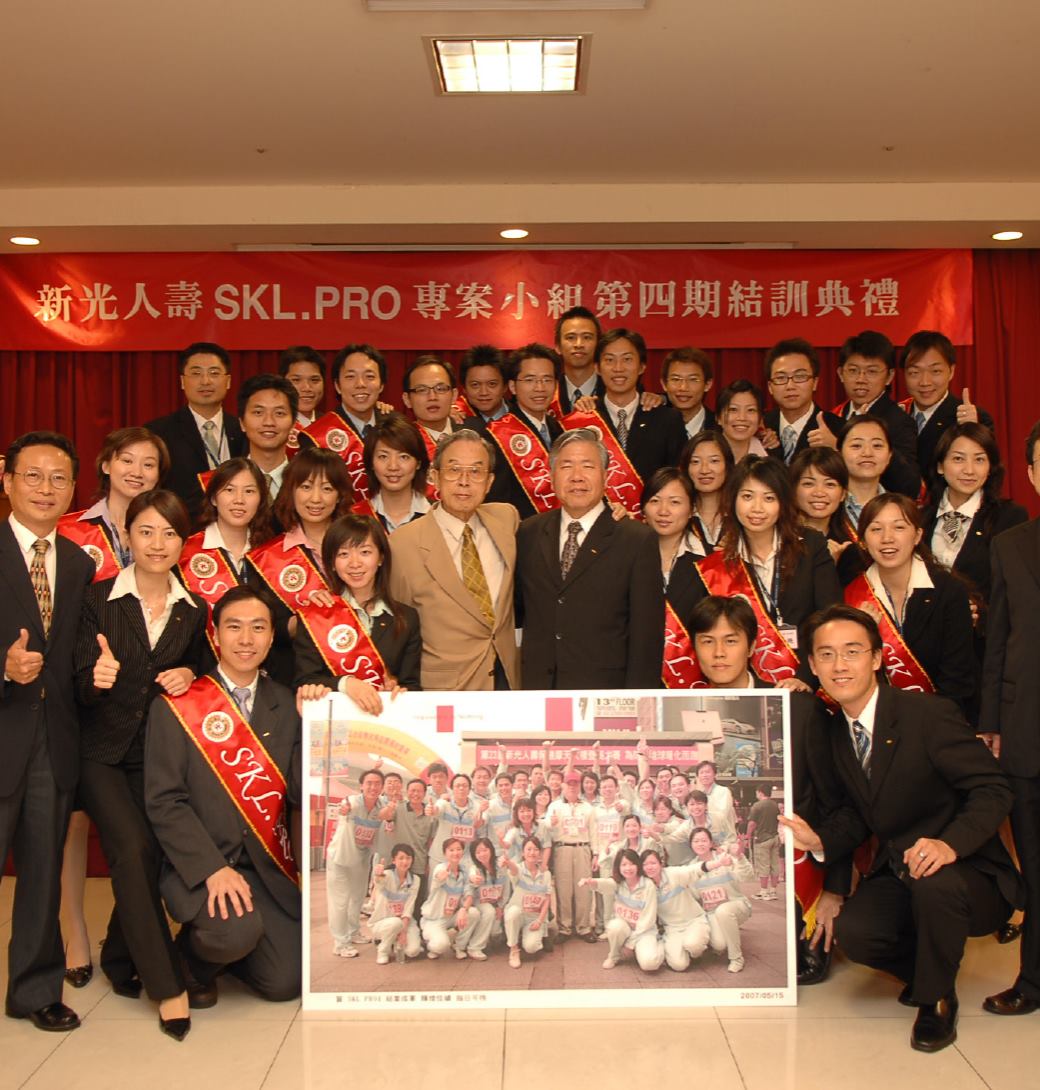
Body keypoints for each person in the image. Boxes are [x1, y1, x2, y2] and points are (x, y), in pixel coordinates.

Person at [782, 605, 1022, 1052]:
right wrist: (820, 841)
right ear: (812, 665)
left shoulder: (926, 714)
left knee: (934, 880)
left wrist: (949, 845)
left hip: (968, 874)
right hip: (898, 869)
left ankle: (936, 1000)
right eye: (827, 655)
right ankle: (930, 969)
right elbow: (855, 813)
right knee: (857, 933)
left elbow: (993, 789)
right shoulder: (833, 732)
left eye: (852, 652)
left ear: (876, 658)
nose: (839, 665)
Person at [73, 489, 208, 1038]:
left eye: (169, 533)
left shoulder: (193, 609)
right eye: (146, 531)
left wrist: (190, 674)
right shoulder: (97, 599)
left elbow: (201, 671)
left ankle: (118, 956)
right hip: (99, 752)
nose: (157, 543)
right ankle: (167, 985)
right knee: (132, 849)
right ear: (127, 535)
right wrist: (94, 678)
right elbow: (76, 681)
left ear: (183, 542)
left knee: (151, 853)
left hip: (153, 758)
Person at [145, 585, 313, 1009]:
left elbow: (297, 790)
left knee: (286, 982)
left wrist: (317, 724)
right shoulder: (177, 706)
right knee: (232, 932)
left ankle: (239, 951)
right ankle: (193, 961)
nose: (246, 639)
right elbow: (164, 801)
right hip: (202, 863)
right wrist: (212, 868)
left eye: (258, 628)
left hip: (265, 867)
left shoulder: (286, 703)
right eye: (234, 627)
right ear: (215, 634)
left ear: (271, 637)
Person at [56, 425, 170, 984]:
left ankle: (125, 940)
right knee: (74, 818)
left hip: (134, 698)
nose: (136, 472)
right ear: (105, 464)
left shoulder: (165, 532)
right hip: (73, 680)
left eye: (149, 464)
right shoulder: (73, 529)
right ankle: (72, 928)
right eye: (127, 460)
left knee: (139, 827)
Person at [1, 432, 95, 1033]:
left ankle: (34, 991)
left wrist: (98, 674)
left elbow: (74, 657)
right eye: (32, 476)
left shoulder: (81, 563)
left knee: (41, 872)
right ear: (7, 480)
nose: (45, 488)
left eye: (58, 478)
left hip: (52, 742)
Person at [516, 429, 664, 689]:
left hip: (605, 692)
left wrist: (639, 701)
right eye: (566, 466)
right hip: (539, 690)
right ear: (551, 476)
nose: (577, 476)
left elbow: (646, 636)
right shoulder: (528, 532)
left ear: (605, 476)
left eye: (588, 466)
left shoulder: (636, 540)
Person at [979, 419, 1040, 1017]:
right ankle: (1034, 980)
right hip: (1027, 730)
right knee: (1036, 866)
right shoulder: (1011, 544)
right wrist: (991, 722)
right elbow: (997, 640)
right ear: (1031, 472)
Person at [692, 455, 842, 684]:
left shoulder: (810, 546)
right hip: (745, 684)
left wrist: (804, 679)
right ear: (732, 500)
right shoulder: (719, 563)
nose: (757, 508)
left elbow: (830, 617)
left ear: (783, 503)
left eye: (769, 498)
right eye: (747, 497)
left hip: (805, 679)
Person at [389, 430, 519, 690]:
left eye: (476, 472)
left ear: (489, 482)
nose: (464, 481)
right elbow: (397, 627)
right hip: (445, 689)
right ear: (434, 477)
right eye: (454, 470)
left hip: (508, 680)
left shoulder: (506, 519)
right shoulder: (402, 543)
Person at [847, 493, 976, 713]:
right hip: (876, 717)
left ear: (917, 536)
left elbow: (958, 676)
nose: (887, 538)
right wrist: (863, 633)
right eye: (876, 529)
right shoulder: (853, 596)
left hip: (942, 717)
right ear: (863, 541)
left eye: (899, 527)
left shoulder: (948, 591)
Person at [293, 513, 421, 713]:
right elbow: (305, 680)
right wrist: (346, 684)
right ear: (332, 563)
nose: (355, 563)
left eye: (365, 552)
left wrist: (397, 690)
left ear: (381, 558)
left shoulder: (406, 618)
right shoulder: (316, 615)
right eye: (343, 554)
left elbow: (412, 686)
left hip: (384, 723)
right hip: (334, 721)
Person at [246, 447, 353, 684]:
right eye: (306, 487)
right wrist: (309, 619)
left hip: (357, 670)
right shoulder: (269, 556)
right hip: (295, 678)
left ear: (339, 495)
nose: (315, 498)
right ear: (291, 492)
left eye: (327, 489)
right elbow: (266, 627)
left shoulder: (359, 544)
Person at [922, 422, 1027, 606]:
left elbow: (1017, 590)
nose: (969, 470)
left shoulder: (1010, 517)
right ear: (940, 466)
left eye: (979, 460)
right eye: (958, 459)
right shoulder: (919, 519)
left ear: (990, 467)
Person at [179, 458, 273, 656]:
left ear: (260, 500)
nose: (239, 499)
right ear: (214, 498)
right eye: (229, 490)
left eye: (249, 491)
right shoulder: (185, 552)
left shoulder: (270, 554)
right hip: (199, 665)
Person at [144, 342, 247, 516]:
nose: (205, 381)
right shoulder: (158, 432)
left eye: (214, 373)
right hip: (182, 526)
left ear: (228, 381)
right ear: (182, 382)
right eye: (196, 373)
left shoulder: (244, 429)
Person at [582, 329, 687, 488]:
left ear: (642, 366)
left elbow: (679, 478)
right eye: (609, 360)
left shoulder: (667, 419)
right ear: (597, 367)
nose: (618, 368)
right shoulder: (585, 418)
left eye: (627, 359)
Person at [827, 329, 921, 499]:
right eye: (853, 370)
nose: (861, 379)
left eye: (871, 371)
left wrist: (839, 446)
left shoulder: (899, 421)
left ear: (889, 376)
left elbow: (909, 485)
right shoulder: (831, 418)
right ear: (841, 374)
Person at [298, 343, 390, 505]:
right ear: (337, 386)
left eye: (369, 376)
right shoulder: (315, 437)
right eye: (350, 377)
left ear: (381, 385)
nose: (360, 384)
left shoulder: (395, 426)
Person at [482, 343, 564, 518]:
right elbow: (494, 502)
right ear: (512, 387)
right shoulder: (495, 435)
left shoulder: (560, 429)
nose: (540, 388)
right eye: (529, 380)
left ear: (556, 385)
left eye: (547, 379)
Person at [898, 330, 994, 476]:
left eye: (935, 371)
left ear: (951, 371)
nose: (925, 382)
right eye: (914, 373)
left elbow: (988, 472)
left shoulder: (974, 418)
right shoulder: (896, 415)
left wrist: (973, 431)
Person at [326, 768, 393, 958]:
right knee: (340, 902)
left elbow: (388, 819)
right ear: (361, 786)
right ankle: (340, 943)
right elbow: (344, 809)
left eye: (377, 783)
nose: (373, 787)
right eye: (369, 783)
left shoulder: (383, 805)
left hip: (362, 859)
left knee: (357, 898)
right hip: (340, 858)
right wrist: (344, 810)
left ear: (382, 787)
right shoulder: (353, 802)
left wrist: (390, 816)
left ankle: (353, 932)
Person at [763, 337, 845, 465]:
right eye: (781, 378)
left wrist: (836, 449)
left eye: (800, 376)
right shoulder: (762, 427)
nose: (790, 386)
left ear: (815, 383)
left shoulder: (837, 428)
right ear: (770, 387)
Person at [790, 446, 862, 582]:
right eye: (808, 484)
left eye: (830, 484)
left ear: (843, 494)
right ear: (793, 490)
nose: (819, 492)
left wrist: (830, 567)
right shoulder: (778, 539)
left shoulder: (847, 549)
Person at [580, 848, 659, 970]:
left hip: (644, 932)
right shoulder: (619, 882)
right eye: (624, 865)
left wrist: (630, 944)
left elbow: (648, 920)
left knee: (649, 965)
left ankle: (658, 946)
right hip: (625, 928)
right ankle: (613, 956)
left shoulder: (648, 885)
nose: (628, 868)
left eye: (632, 864)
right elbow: (606, 883)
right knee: (615, 926)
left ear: (638, 865)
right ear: (618, 867)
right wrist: (590, 882)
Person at [689, 827, 755, 972]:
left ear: (711, 843)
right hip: (712, 913)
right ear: (691, 844)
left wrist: (739, 857)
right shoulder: (692, 867)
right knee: (719, 945)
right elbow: (694, 897)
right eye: (696, 841)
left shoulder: (724, 857)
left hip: (736, 905)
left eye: (704, 840)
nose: (700, 844)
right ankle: (726, 933)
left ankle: (736, 958)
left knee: (724, 911)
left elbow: (747, 876)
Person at [639, 847, 710, 972]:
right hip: (672, 928)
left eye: (653, 863)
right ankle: (672, 948)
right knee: (679, 965)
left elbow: (694, 870)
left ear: (661, 863)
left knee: (693, 945)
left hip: (694, 921)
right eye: (645, 864)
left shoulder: (672, 874)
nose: (649, 867)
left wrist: (717, 863)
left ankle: (696, 954)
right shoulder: (646, 885)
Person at [546, 771, 596, 942]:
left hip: (582, 848)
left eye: (576, 784)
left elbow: (593, 832)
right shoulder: (555, 806)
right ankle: (565, 928)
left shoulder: (588, 808)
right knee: (563, 889)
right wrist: (551, 823)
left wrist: (595, 853)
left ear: (579, 786)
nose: (572, 787)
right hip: (563, 848)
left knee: (583, 889)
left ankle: (584, 927)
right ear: (563, 786)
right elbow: (546, 825)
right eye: (569, 784)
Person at [362, 412, 431, 533]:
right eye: (383, 456)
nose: (393, 466)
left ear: (418, 463)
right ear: (371, 462)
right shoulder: (357, 517)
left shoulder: (436, 515)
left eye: (403, 457)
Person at [237, 373, 299, 500]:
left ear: (293, 424)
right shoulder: (222, 483)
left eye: (279, 413)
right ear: (242, 423)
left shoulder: (304, 482)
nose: (269, 422)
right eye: (258, 412)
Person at [420, 837, 481, 959]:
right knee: (440, 946)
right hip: (434, 918)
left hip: (451, 916)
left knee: (473, 913)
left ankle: (458, 946)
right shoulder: (441, 868)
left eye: (458, 849)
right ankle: (430, 943)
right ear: (445, 853)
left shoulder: (464, 871)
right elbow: (438, 878)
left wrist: (463, 909)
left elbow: (469, 894)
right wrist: (440, 877)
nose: (455, 853)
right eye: (451, 850)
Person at [501, 835, 553, 968]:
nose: (532, 853)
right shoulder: (519, 869)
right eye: (528, 849)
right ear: (523, 853)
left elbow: (547, 899)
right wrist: (508, 862)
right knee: (513, 912)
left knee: (531, 947)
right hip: (518, 913)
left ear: (540, 853)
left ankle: (524, 935)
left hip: (534, 917)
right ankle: (514, 949)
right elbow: (514, 870)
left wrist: (540, 920)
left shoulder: (546, 874)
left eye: (535, 849)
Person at [681, 428, 733, 555]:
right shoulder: (678, 514)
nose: (704, 470)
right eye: (695, 462)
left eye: (714, 461)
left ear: (727, 466)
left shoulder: (740, 514)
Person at [368, 845, 423, 965]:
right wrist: (378, 875)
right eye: (401, 858)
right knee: (395, 923)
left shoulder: (415, 880)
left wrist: (403, 932)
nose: (405, 861)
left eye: (408, 858)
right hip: (382, 922)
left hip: (404, 921)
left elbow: (409, 907)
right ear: (394, 860)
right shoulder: (386, 875)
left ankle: (394, 941)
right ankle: (383, 950)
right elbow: (379, 884)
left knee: (413, 951)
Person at [839, 415, 892, 529]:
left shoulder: (901, 508)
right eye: (856, 445)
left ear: (889, 456)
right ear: (840, 453)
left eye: (877, 445)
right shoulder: (826, 504)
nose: (867, 453)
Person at [461, 836, 508, 959]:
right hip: (479, 902)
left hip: (497, 903)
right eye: (478, 852)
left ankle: (481, 937)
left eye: (485, 850)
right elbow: (471, 881)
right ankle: (475, 947)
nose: (482, 854)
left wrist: (500, 907)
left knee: (496, 932)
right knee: (489, 911)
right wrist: (473, 880)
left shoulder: (500, 866)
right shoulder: (474, 869)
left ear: (491, 849)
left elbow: (506, 889)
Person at [402, 355, 459, 452]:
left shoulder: (475, 431)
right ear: (407, 399)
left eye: (440, 389)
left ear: (454, 395)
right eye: (422, 390)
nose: (432, 397)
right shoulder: (401, 442)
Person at [553, 305, 603, 413]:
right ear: (558, 346)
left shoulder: (614, 390)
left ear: (599, 345)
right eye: (571, 337)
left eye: (587, 337)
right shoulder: (548, 392)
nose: (579, 344)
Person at [661, 346, 716, 438]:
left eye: (693, 379)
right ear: (664, 384)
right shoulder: (652, 426)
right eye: (676, 379)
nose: (683, 387)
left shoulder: (721, 428)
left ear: (708, 384)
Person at [716, 379, 774, 461]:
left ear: (761, 419)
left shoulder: (771, 455)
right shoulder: (702, 452)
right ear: (718, 418)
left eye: (750, 410)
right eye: (733, 409)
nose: (742, 418)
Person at [278, 345, 327, 431]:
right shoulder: (273, 424)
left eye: (314, 380)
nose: (307, 388)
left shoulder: (331, 427)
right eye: (296, 380)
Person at [746, 787, 782, 900]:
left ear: (760, 792)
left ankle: (764, 891)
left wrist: (747, 836)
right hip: (775, 837)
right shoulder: (775, 805)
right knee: (775, 864)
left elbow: (752, 823)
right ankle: (773, 891)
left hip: (762, 839)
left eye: (757, 792)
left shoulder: (757, 806)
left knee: (763, 865)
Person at [458, 344, 509, 423]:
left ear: (505, 386)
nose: (484, 393)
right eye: (475, 385)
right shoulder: (456, 418)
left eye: (492, 384)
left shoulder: (521, 418)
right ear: (464, 388)